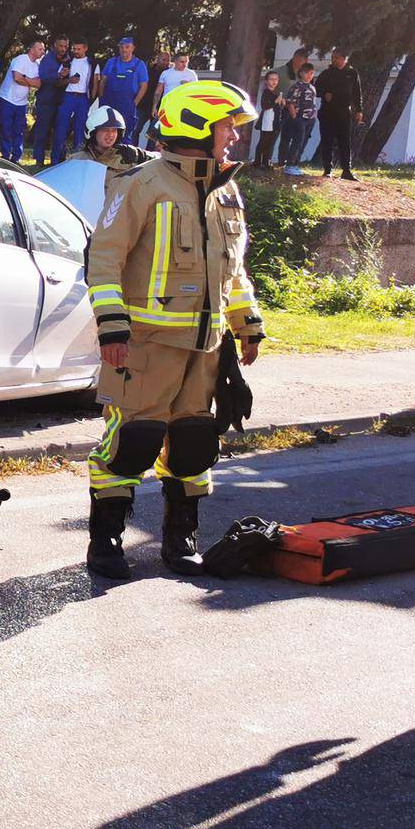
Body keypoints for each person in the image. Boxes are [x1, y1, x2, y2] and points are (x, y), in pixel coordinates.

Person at [83, 79, 266, 581]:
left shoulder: (226, 193)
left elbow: (234, 272)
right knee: (133, 442)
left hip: (205, 350)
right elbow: (103, 261)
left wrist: (247, 326)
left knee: (193, 443)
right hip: (144, 346)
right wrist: (113, 331)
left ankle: (180, 538)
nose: (233, 135)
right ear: (197, 126)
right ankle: (107, 540)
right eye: (227, 125)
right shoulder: (141, 184)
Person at [313, 49, 363, 180]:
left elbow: (357, 93)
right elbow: (315, 89)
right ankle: (327, 169)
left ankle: (346, 170)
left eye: (336, 58)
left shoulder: (352, 73)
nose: (333, 60)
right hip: (327, 111)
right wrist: (324, 93)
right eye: (332, 57)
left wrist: (359, 110)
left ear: (344, 59)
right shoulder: (326, 73)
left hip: (344, 112)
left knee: (344, 141)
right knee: (327, 140)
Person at [96, 37, 150, 146]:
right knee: (106, 135)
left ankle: (124, 160)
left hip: (127, 105)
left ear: (133, 48)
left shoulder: (139, 65)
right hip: (109, 104)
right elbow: (103, 81)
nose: (124, 49)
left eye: (127, 47)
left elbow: (143, 86)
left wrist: (134, 103)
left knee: (125, 136)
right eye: (121, 47)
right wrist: (101, 99)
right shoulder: (111, 62)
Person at [0, 39, 44, 163]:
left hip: (21, 102)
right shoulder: (20, 60)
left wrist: (25, 78)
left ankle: (16, 157)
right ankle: (5, 155)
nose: (42, 52)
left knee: (19, 130)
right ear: (32, 49)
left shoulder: (37, 65)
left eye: (43, 49)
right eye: (40, 49)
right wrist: (29, 80)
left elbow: (38, 84)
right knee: (6, 128)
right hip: (7, 98)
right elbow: (17, 78)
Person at [33, 37, 71, 165]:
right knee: (42, 131)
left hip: (61, 101)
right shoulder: (47, 59)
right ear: (55, 45)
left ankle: (59, 159)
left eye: (65, 46)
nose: (63, 49)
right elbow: (43, 77)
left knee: (60, 131)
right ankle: (39, 159)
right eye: (60, 46)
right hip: (46, 99)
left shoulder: (68, 60)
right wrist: (58, 75)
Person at [55, 38, 93, 162]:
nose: (76, 51)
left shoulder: (91, 63)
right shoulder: (68, 62)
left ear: (85, 48)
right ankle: (56, 159)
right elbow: (57, 83)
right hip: (68, 96)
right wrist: (67, 79)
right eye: (74, 49)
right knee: (61, 128)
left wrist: (92, 98)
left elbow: (97, 82)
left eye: (79, 49)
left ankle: (77, 161)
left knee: (80, 129)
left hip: (83, 98)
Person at [79, 102, 144, 173]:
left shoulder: (127, 156)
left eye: (114, 130)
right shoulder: (78, 160)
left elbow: (156, 160)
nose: (110, 135)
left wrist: (139, 155)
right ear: (93, 133)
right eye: (105, 130)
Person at [281, 60, 319, 165]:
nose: (309, 76)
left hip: (310, 119)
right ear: (301, 73)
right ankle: (290, 163)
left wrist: (313, 117)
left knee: (303, 142)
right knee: (297, 141)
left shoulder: (312, 87)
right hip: (300, 118)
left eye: (311, 73)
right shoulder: (296, 86)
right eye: (306, 72)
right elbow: (290, 103)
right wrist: (294, 117)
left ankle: (296, 163)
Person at [248, 70, 285, 165]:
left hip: (275, 120)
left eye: (276, 79)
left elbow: (279, 108)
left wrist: (282, 103)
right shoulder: (266, 92)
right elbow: (265, 106)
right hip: (267, 120)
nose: (274, 81)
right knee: (263, 141)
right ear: (266, 81)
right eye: (271, 79)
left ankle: (266, 161)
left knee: (271, 142)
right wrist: (276, 102)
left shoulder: (275, 93)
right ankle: (257, 161)